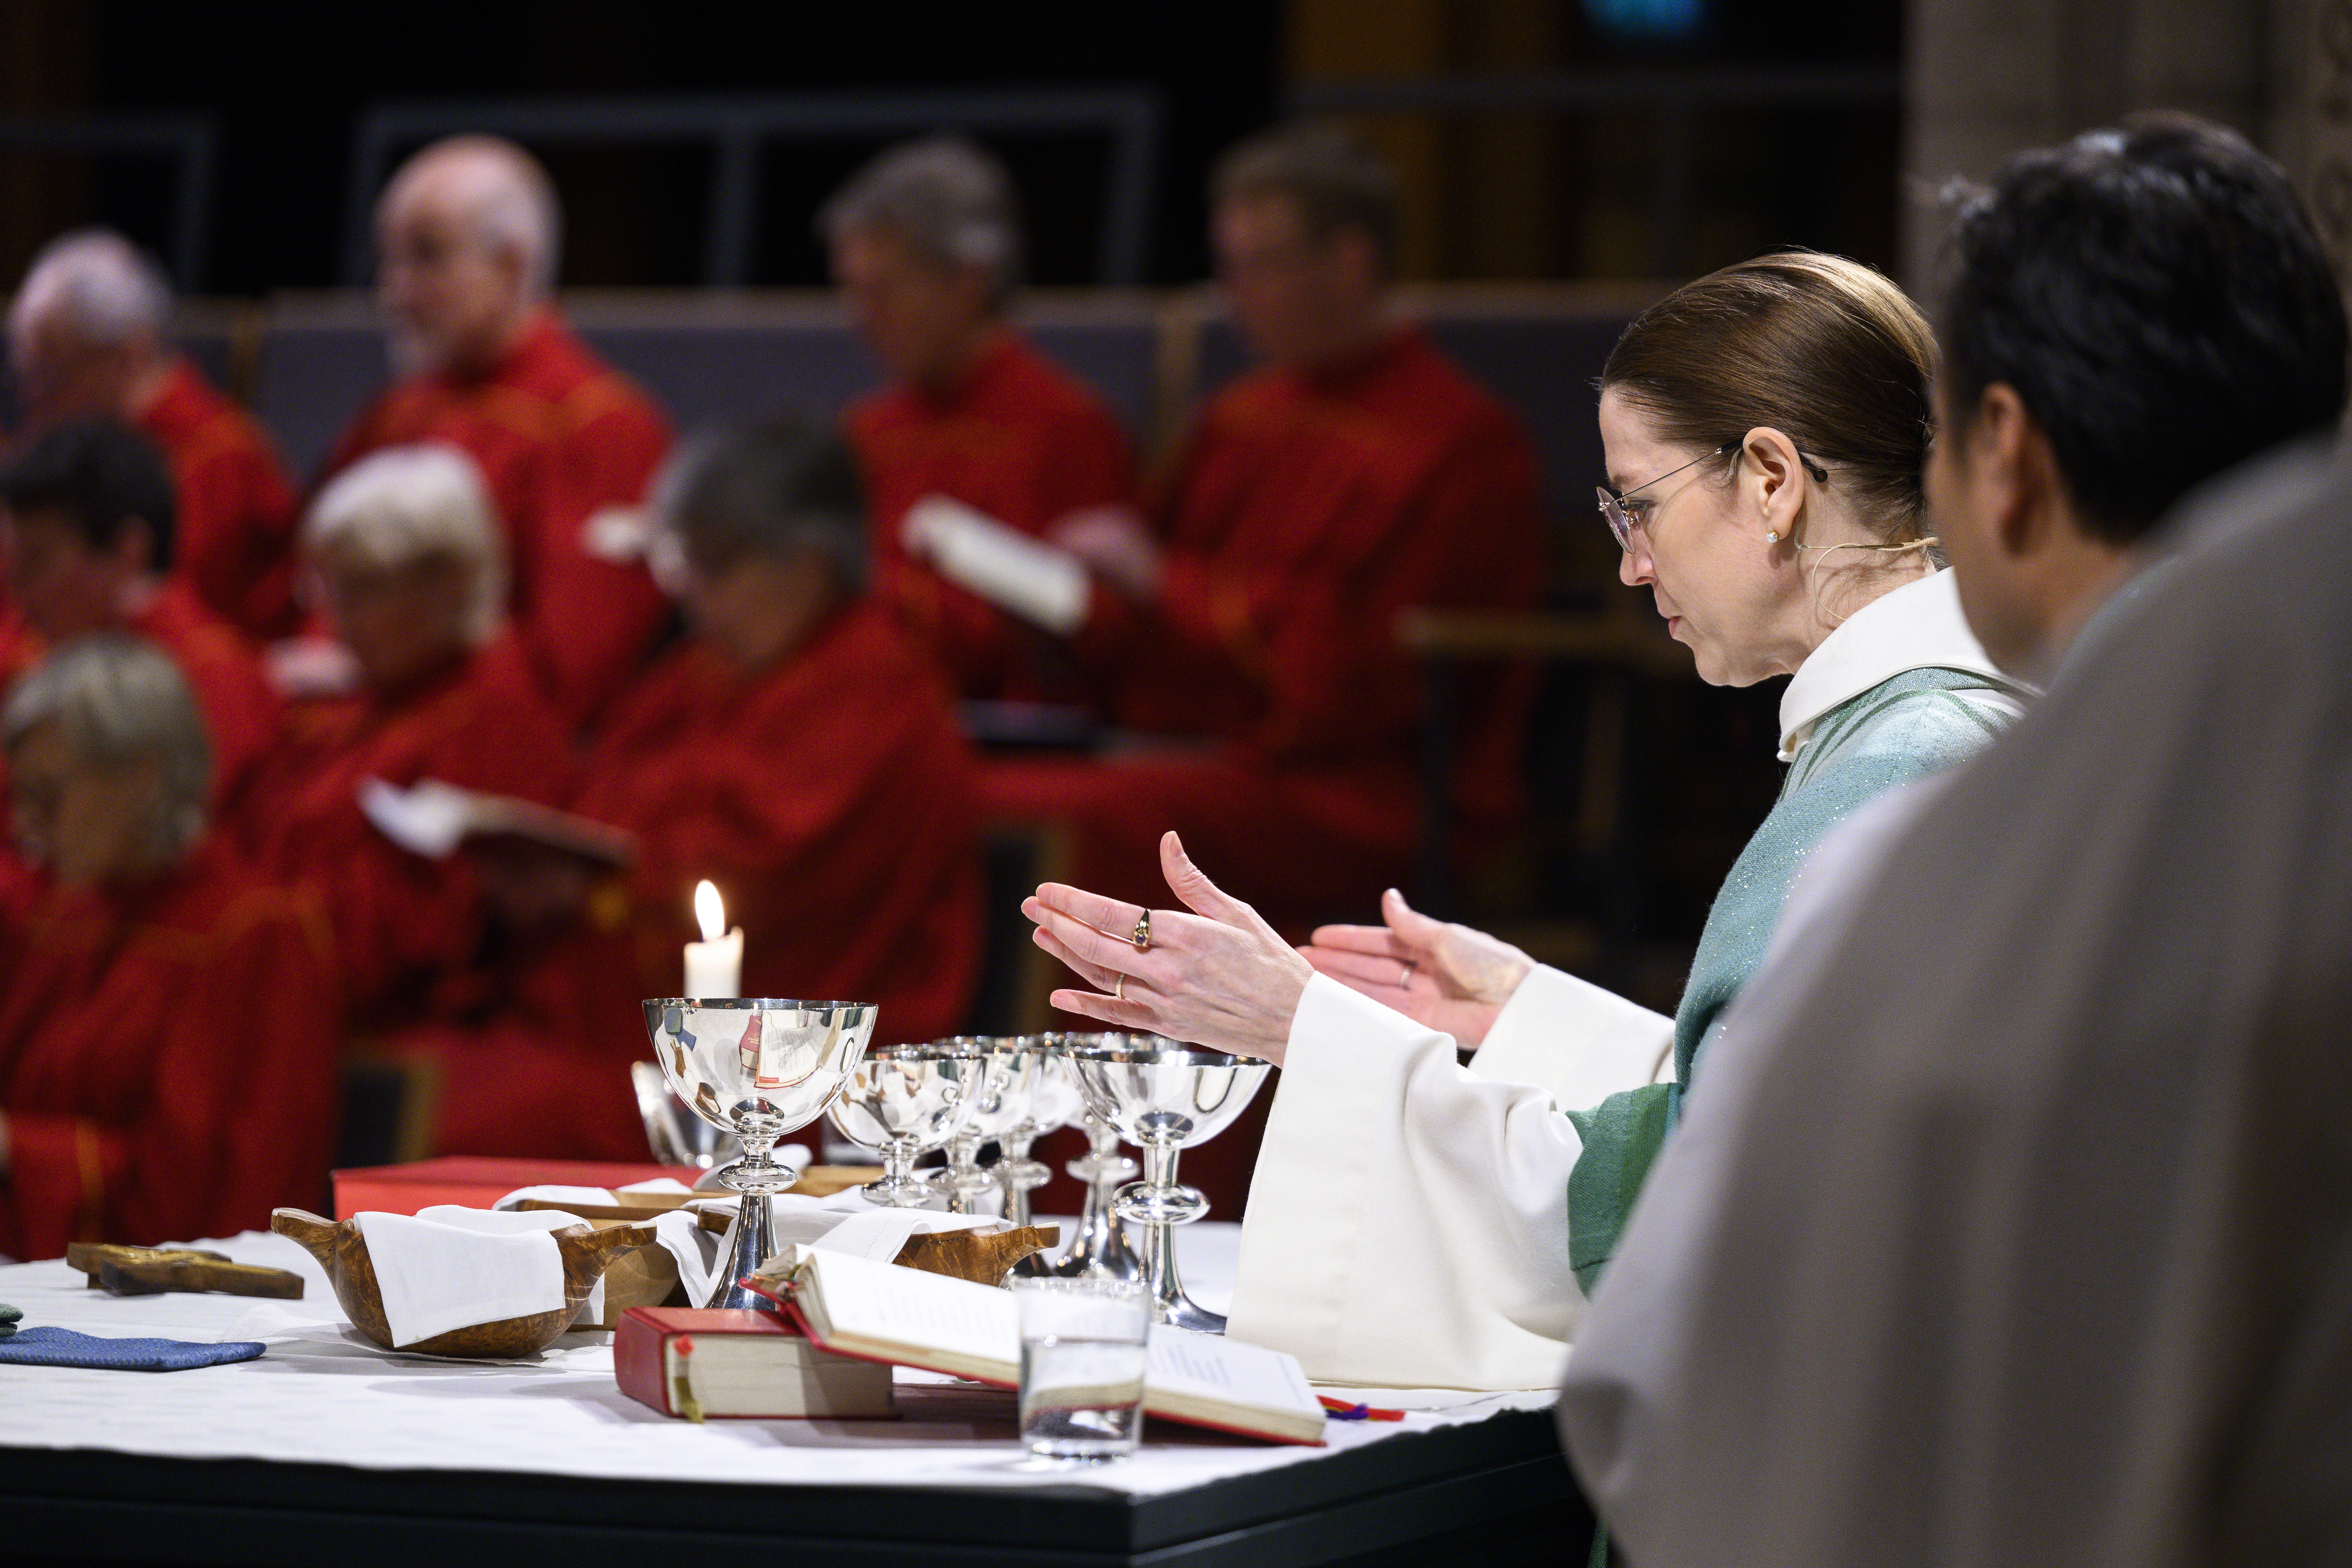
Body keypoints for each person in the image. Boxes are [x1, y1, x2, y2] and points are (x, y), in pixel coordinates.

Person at [1556, 118, 2352, 1567]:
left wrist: (1390, 1072)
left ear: (2005, 454)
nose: (1629, 560)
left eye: (1638, 505)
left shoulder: (1944, 816)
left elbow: (1723, 1356)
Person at [1024, 251, 2032, 1389]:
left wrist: (1312, 1036)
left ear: (1768, 479)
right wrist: (1522, 1014)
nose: (1628, 565)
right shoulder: (1939, 729)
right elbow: (1775, 1104)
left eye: (1636, 505)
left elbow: (1708, 1198)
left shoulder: (1894, 772)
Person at [979, 122, 1547, 929]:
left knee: (1099, 817)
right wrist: (1053, 599)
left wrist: (1153, 578)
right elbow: (1146, 616)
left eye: (1261, 266)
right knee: (951, 779)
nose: (1233, 293)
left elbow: (1358, 673)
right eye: (1227, 265)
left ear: (1350, 263)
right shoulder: (1239, 417)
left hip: (1358, 787)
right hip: (1202, 751)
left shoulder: (1456, 439)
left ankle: (1110, 1059)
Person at [387, 420, 983, 1160]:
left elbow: (766, 889)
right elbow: (600, 807)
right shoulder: (705, 669)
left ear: (809, 562)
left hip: (766, 1076)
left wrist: (594, 898)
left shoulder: (876, 691)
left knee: (426, 1120)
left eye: (715, 565)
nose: (690, 595)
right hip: (589, 1016)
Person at [0, 637, 340, 1260]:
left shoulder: (251, 935)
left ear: (142, 775)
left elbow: (211, 1203)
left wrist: (15, 1153)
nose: (25, 826)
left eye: (48, 796)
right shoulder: (59, 912)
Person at [320, 136, 672, 727]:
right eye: (389, 260)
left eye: (427, 257)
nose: (396, 289)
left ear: (511, 263)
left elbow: (572, 670)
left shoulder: (600, 426)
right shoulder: (397, 411)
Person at [244, 444, 577, 1011]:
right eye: (331, 589)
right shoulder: (349, 711)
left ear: (448, 583)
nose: (338, 618)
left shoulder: (493, 728)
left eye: (363, 589)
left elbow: (411, 933)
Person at [824, 137, 1136, 702]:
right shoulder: (865, 431)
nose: (860, 318)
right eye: (851, 291)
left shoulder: (1062, 425)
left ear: (968, 281)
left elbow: (1090, 629)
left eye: (882, 291)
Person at [8, 229, 304, 641]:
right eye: (25, 376)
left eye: (49, 376)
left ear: (127, 357)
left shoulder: (221, 459)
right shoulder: (62, 438)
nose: (31, 400)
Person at [0, 420, 281, 817]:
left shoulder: (210, 681)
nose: (15, 588)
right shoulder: (45, 645)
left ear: (127, 552)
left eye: (38, 560)